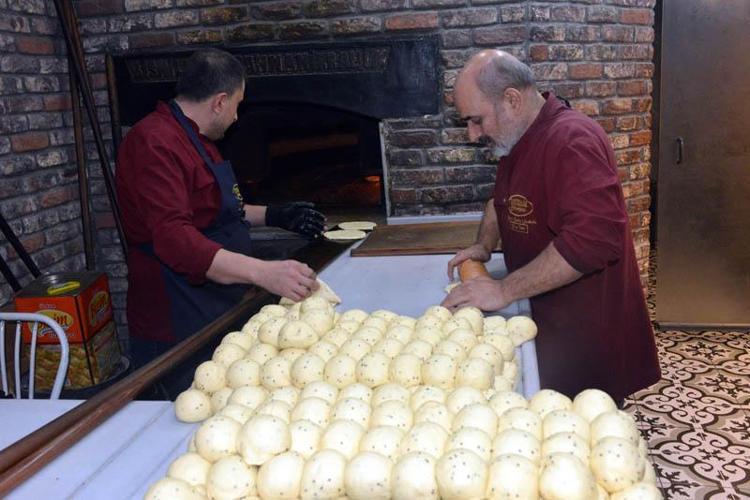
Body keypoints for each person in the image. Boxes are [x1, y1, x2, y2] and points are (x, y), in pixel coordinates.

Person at [442, 49, 660, 402]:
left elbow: (592, 241)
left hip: (584, 335)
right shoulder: (516, 138)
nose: (472, 134)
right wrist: (484, 245)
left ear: (512, 100)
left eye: (476, 120)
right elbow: (501, 201)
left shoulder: (572, 140)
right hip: (544, 319)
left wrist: (503, 290)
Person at [116, 49, 326, 393]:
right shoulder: (153, 143)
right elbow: (175, 239)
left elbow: (218, 211)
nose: (236, 116)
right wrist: (262, 272)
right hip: (176, 315)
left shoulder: (198, 139)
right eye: (237, 105)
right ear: (219, 102)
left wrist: (275, 214)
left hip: (212, 303)